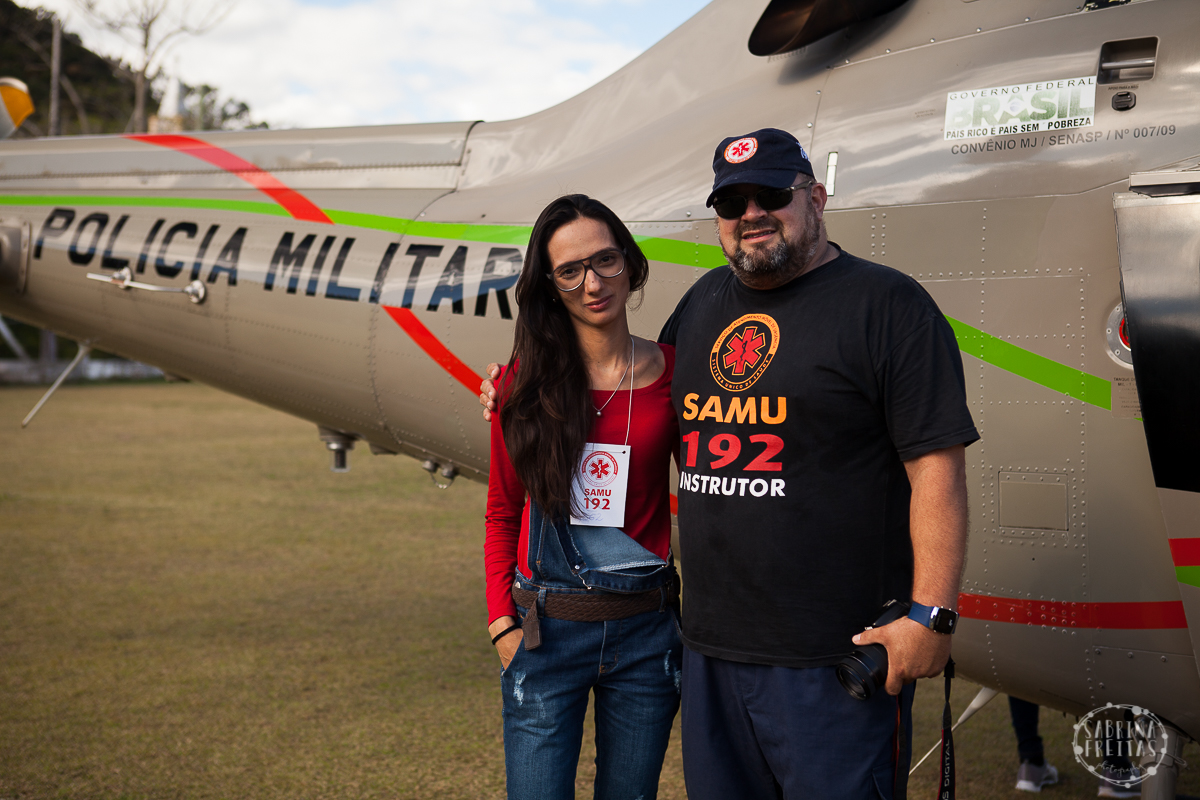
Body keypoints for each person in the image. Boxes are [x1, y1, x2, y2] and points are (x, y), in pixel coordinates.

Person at [483, 129, 978, 799]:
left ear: (816, 197)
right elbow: (617, 411)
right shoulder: (703, 308)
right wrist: (515, 388)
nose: (751, 214)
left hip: (832, 654)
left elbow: (937, 472)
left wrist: (933, 615)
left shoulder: (888, 306)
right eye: (731, 203)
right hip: (710, 653)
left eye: (771, 194)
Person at [484, 194, 682, 800]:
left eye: (606, 261)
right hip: (544, 636)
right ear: (549, 284)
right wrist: (501, 627)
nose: (593, 283)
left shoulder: (678, 374)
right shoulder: (520, 384)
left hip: (647, 637)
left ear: (631, 263)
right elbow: (501, 511)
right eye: (571, 271)